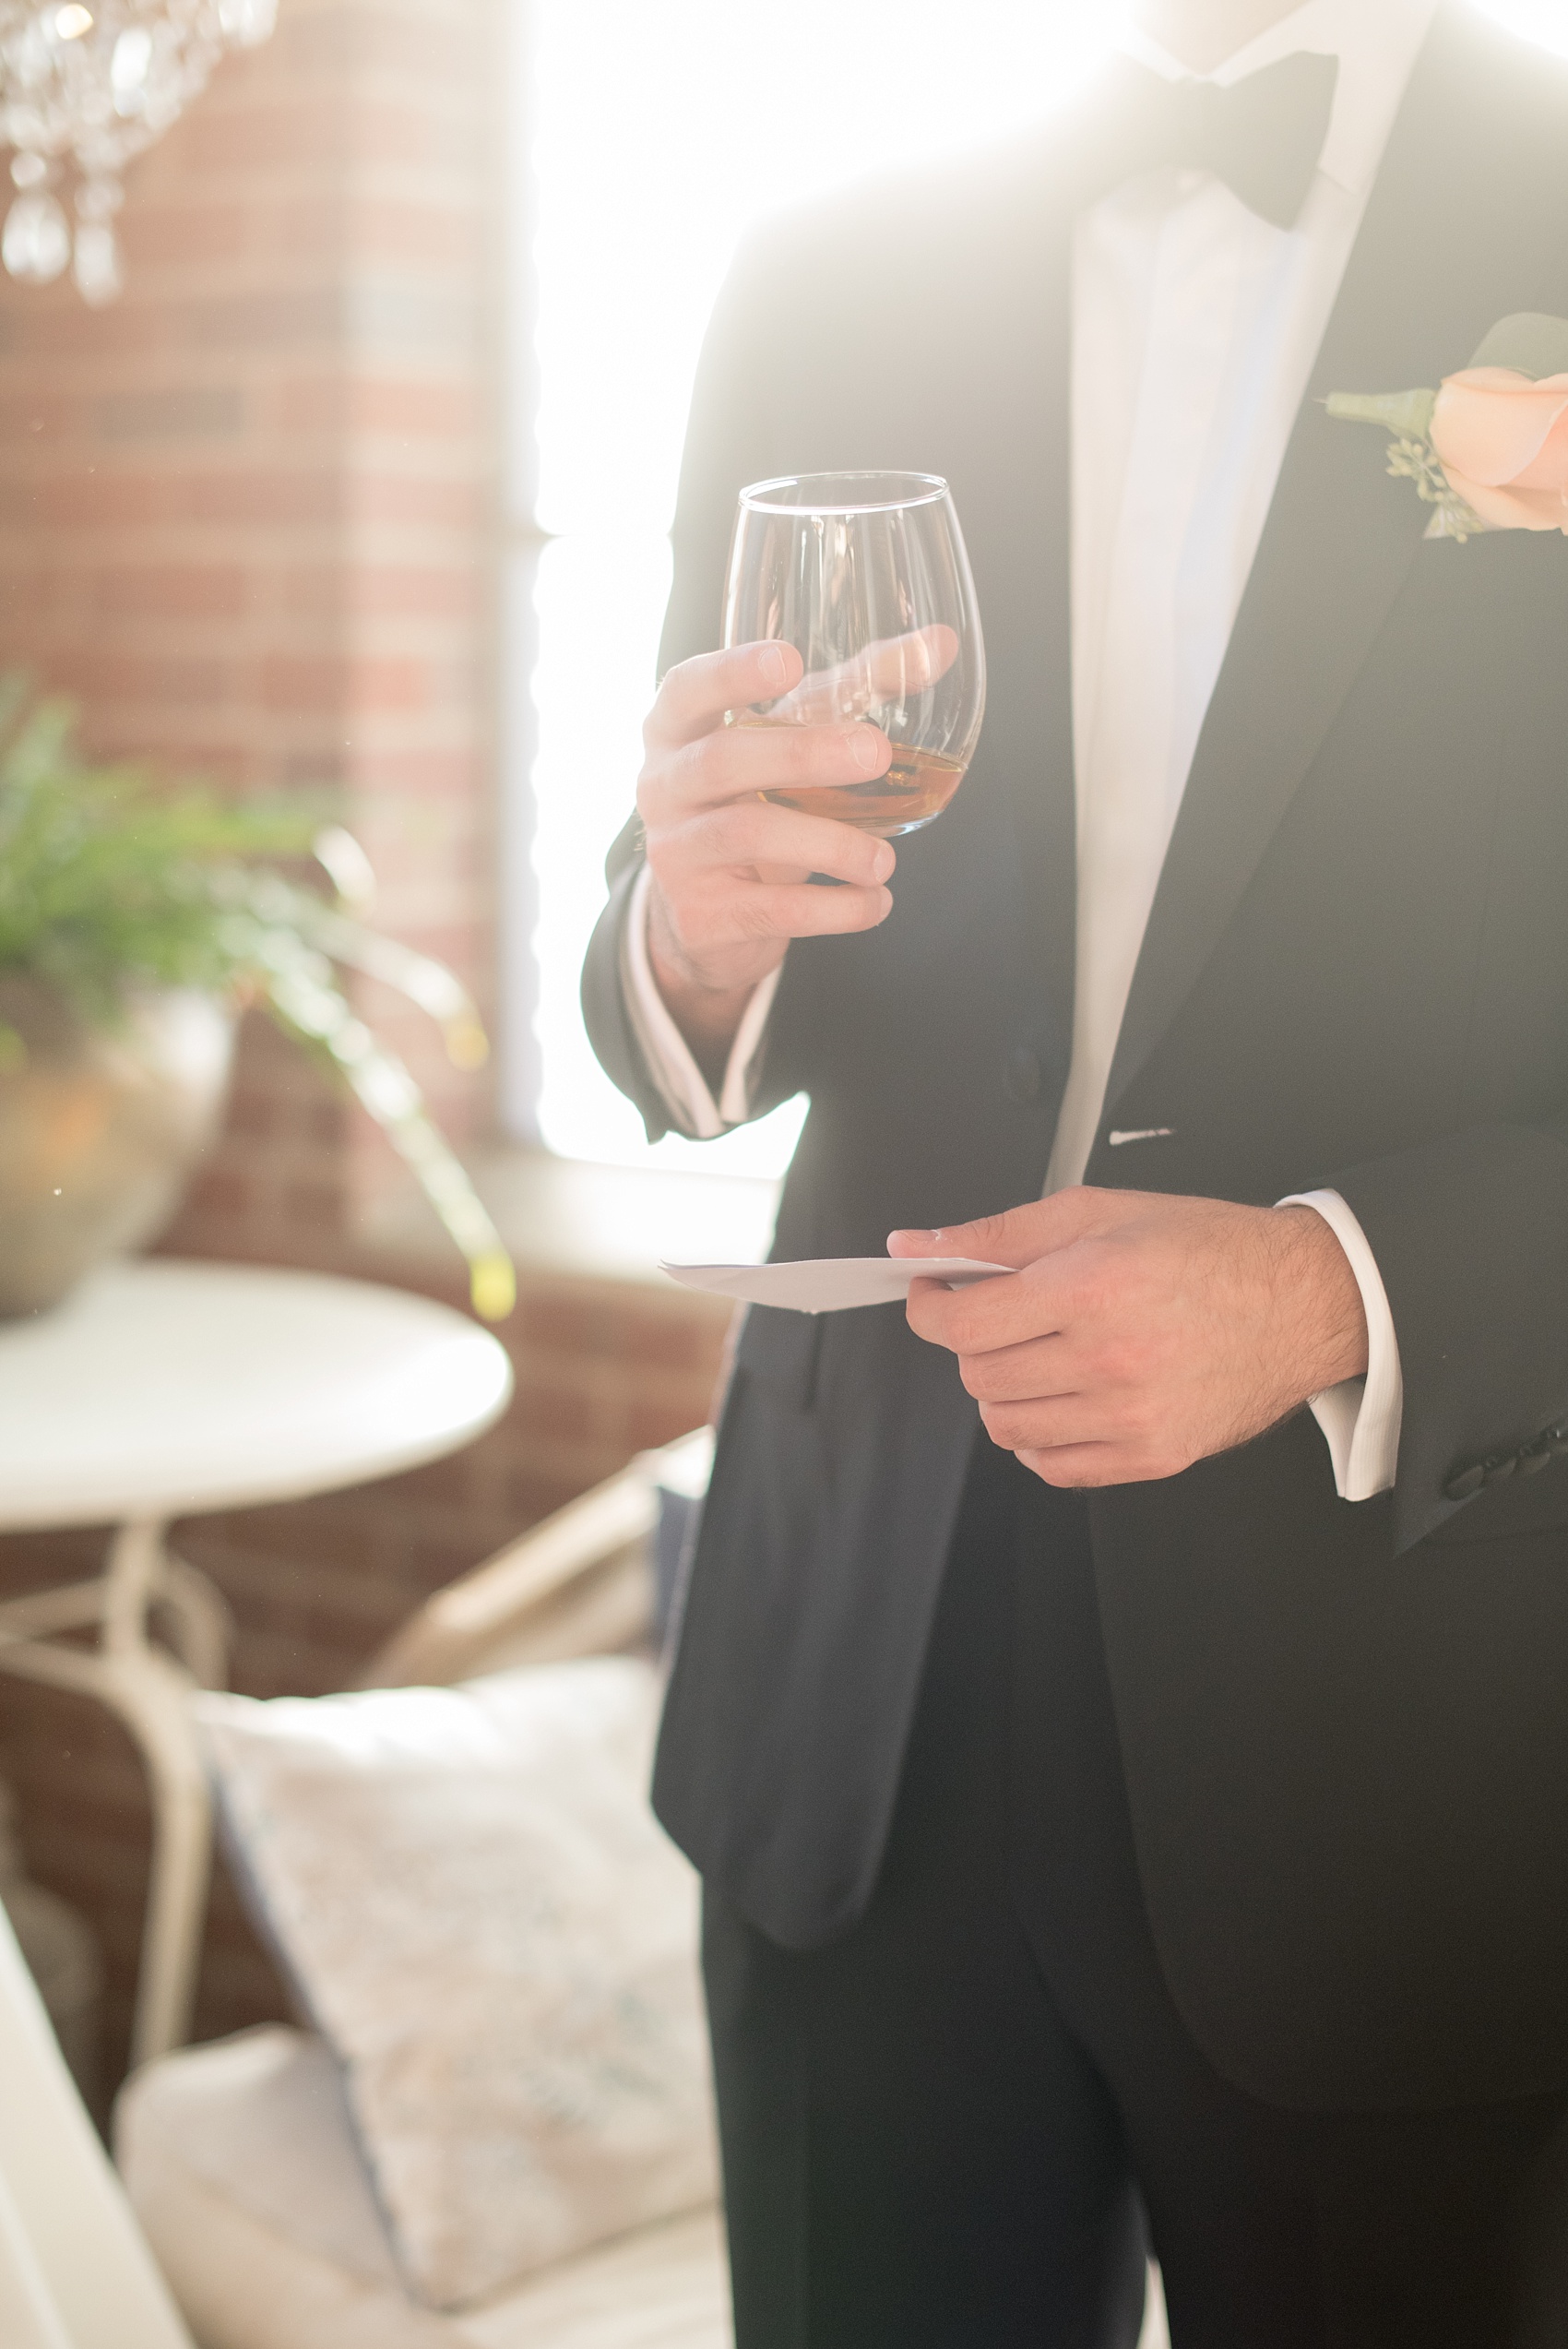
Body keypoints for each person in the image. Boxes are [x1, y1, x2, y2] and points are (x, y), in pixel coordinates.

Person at [581, 1, 1568, 2339]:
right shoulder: (818, 264)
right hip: (852, 1715)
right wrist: (689, 933)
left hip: (1420, 1770)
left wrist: (1339, 1291)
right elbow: (694, 884)